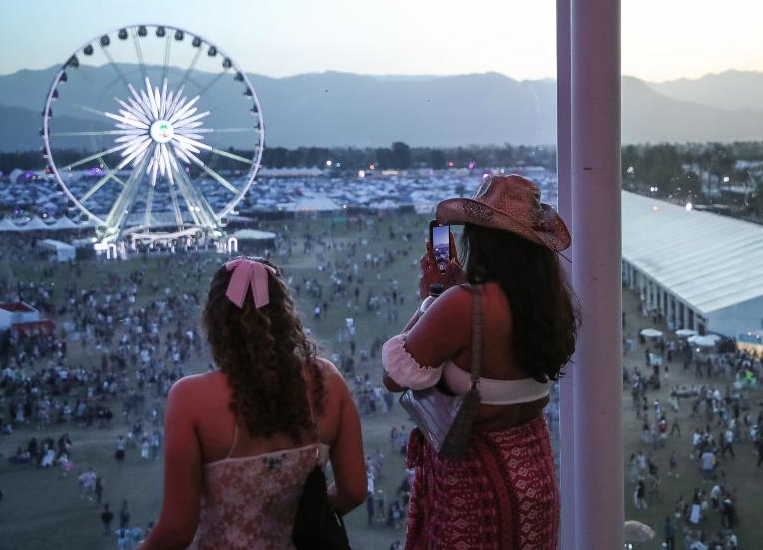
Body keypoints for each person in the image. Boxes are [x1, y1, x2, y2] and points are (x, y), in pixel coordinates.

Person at [382, 175, 576, 550]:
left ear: (482, 241)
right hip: (534, 476)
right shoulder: (551, 303)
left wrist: (432, 299)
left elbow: (395, 375)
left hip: (473, 488)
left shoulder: (463, 305)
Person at [141, 257, 367, 549]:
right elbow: (354, 490)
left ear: (215, 320)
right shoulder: (328, 382)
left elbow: (177, 529)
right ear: (285, 313)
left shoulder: (190, 399)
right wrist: (308, 517)